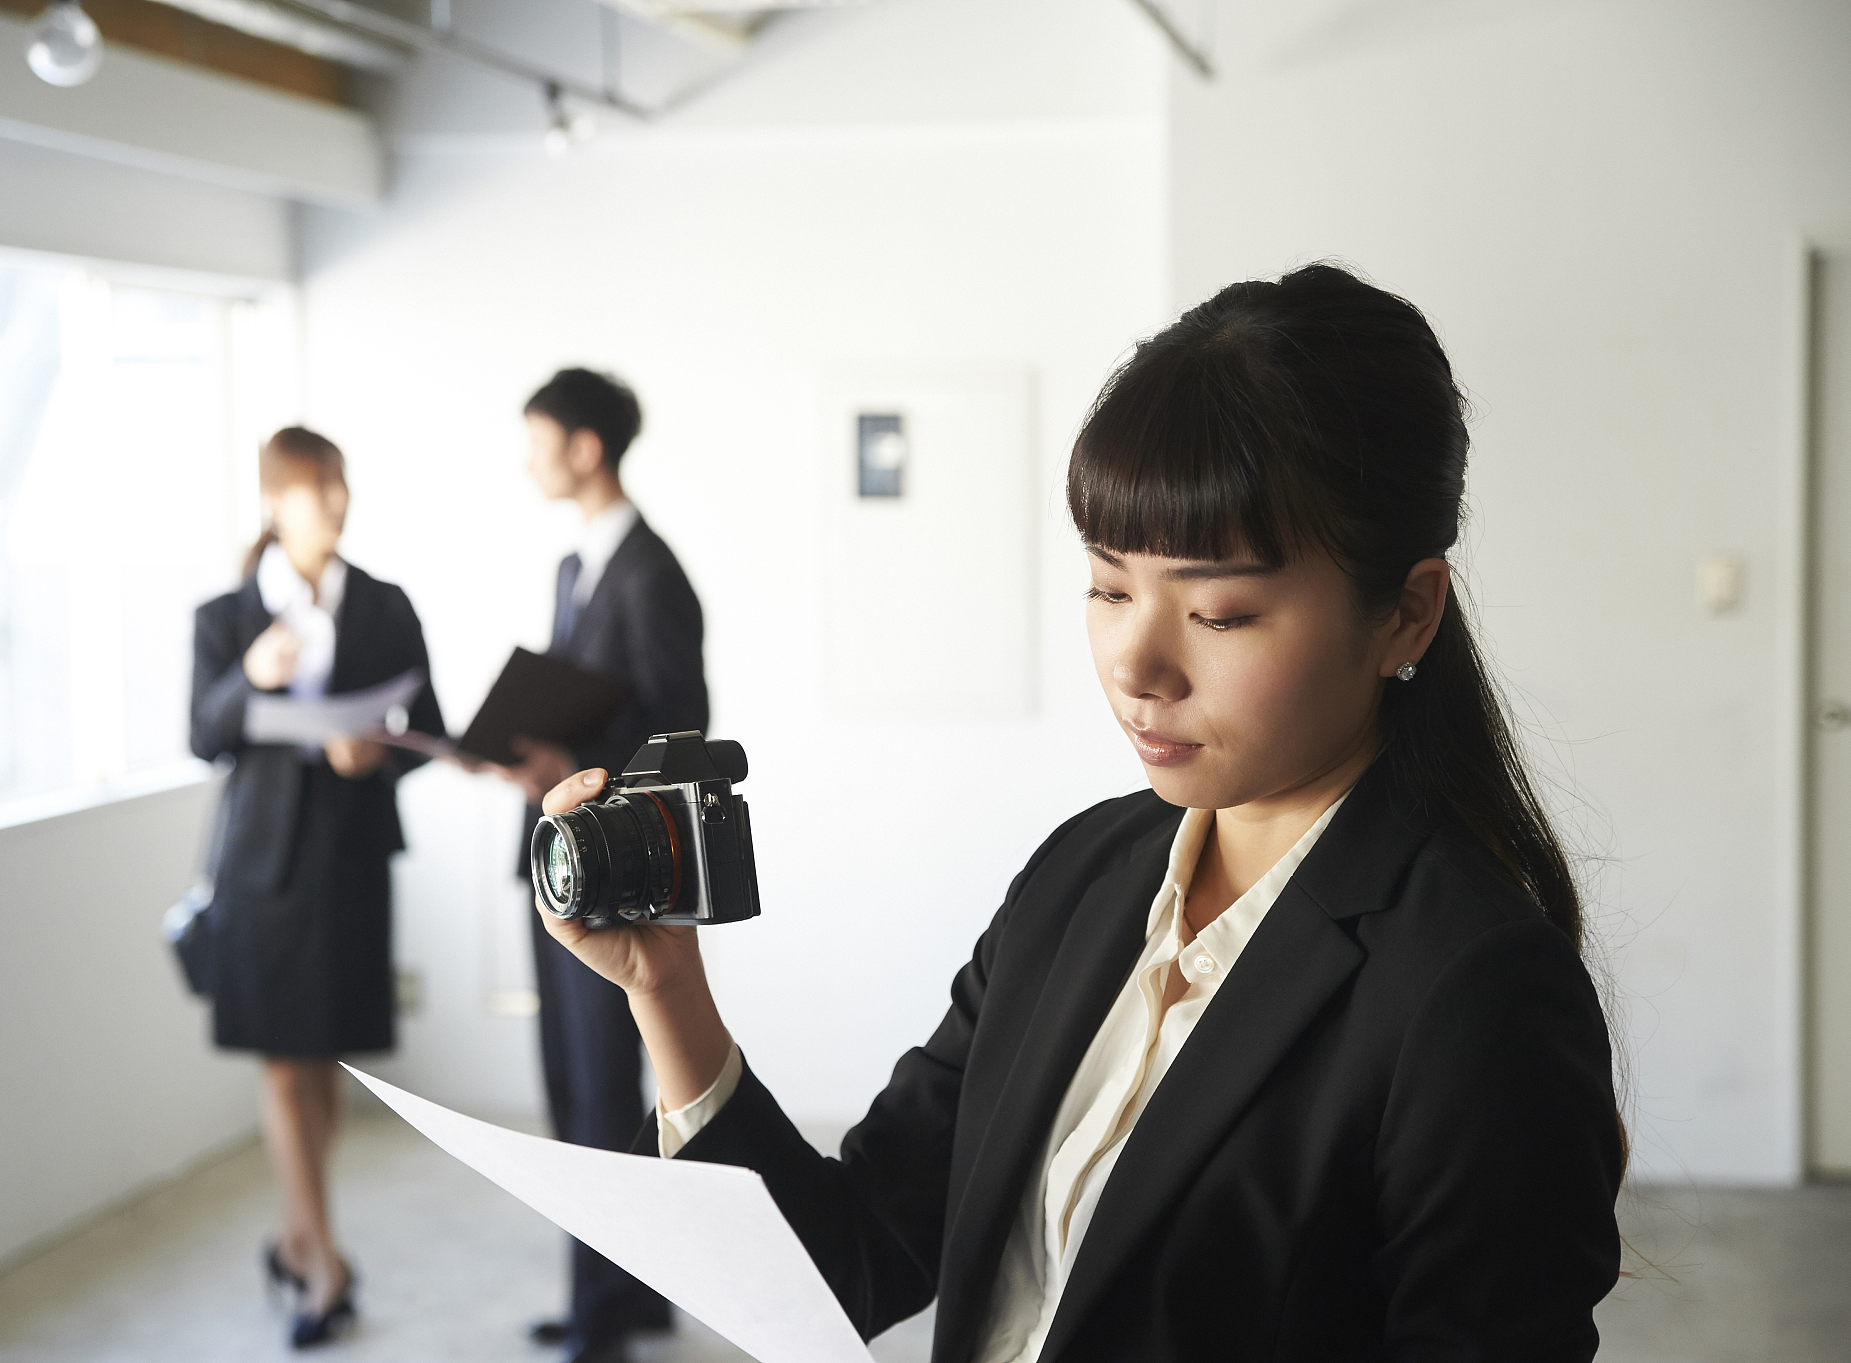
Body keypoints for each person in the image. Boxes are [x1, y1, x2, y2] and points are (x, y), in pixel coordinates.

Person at [533, 267, 1624, 1361]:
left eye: (1219, 611)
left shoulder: (1472, 989)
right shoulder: (1082, 876)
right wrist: (665, 987)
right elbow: (854, 1255)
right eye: (1107, 587)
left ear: (1405, 613)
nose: (1136, 665)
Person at [190, 426, 445, 1351]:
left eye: (339, 485)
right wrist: (248, 677)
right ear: (275, 501)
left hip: (351, 859)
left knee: (329, 1053)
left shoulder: (384, 603)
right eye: (314, 488)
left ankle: (300, 1235)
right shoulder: (227, 615)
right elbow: (201, 733)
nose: (333, 503)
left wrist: (372, 752)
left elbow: (431, 727)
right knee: (281, 1058)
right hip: (262, 868)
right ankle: (326, 1260)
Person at [490, 369, 706, 1363]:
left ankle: (600, 1319)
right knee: (576, 1086)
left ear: (585, 447)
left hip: (609, 872)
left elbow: (678, 731)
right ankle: (624, 1297)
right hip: (562, 858)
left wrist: (571, 768)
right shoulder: (578, 568)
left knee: (596, 1091)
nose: (528, 457)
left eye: (538, 439)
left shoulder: (649, 574)